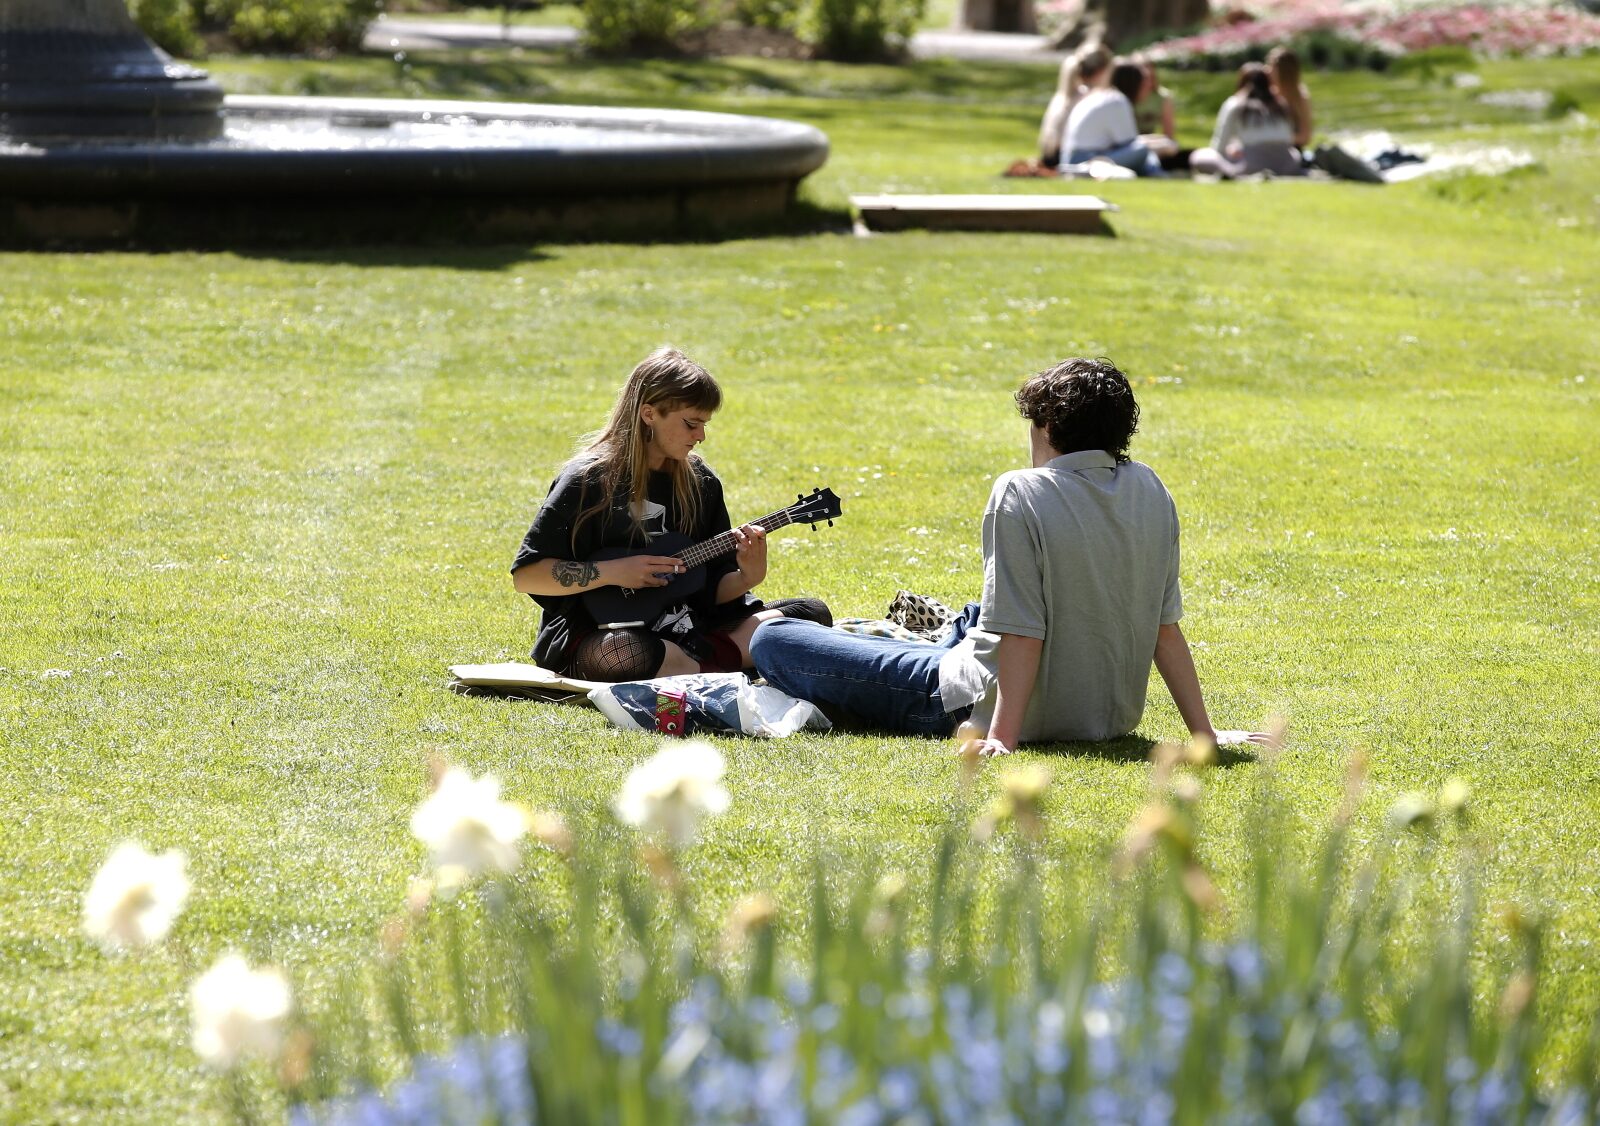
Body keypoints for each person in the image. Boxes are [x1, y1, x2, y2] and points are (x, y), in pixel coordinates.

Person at [750, 357, 1270, 755]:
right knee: (978, 616)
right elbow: (1164, 627)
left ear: (1046, 426)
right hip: (1108, 715)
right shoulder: (1149, 487)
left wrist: (1001, 736)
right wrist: (1204, 733)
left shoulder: (1020, 491)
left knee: (775, 638)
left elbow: (1022, 631)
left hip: (977, 699)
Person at [511, 347, 829, 682]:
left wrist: (748, 576)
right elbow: (528, 576)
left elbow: (709, 589)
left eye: (704, 424)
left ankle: (696, 668)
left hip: (691, 630)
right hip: (604, 634)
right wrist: (612, 572)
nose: (701, 436)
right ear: (649, 413)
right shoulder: (587, 481)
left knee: (811, 615)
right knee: (627, 652)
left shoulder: (702, 483)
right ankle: (725, 666)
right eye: (691, 423)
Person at [1189, 62, 1304, 179]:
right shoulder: (1280, 104)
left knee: (1200, 156)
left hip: (1251, 165)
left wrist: (1235, 150)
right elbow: (1287, 139)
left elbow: (1219, 146)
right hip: (1288, 164)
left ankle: (1233, 174)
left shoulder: (1235, 104)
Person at [1062, 61, 1164, 177]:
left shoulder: (1103, 96)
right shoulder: (1117, 101)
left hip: (1071, 157)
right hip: (1085, 161)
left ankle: (1158, 175)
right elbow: (1129, 143)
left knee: (1145, 150)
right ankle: (1159, 176)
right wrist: (1160, 145)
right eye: (1144, 82)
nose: (1149, 87)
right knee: (1143, 150)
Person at [1038, 44, 1112, 170]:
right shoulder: (1089, 97)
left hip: (1050, 157)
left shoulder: (1062, 96)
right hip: (1068, 158)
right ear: (1102, 71)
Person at [1267, 46, 1313, 149]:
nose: (1267, 70)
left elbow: (1305, 137)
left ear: (1284, 71)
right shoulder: (1267, 93)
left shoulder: (1300, 96)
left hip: (1291, 151)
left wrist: (1275, 139)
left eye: (1272, 66)